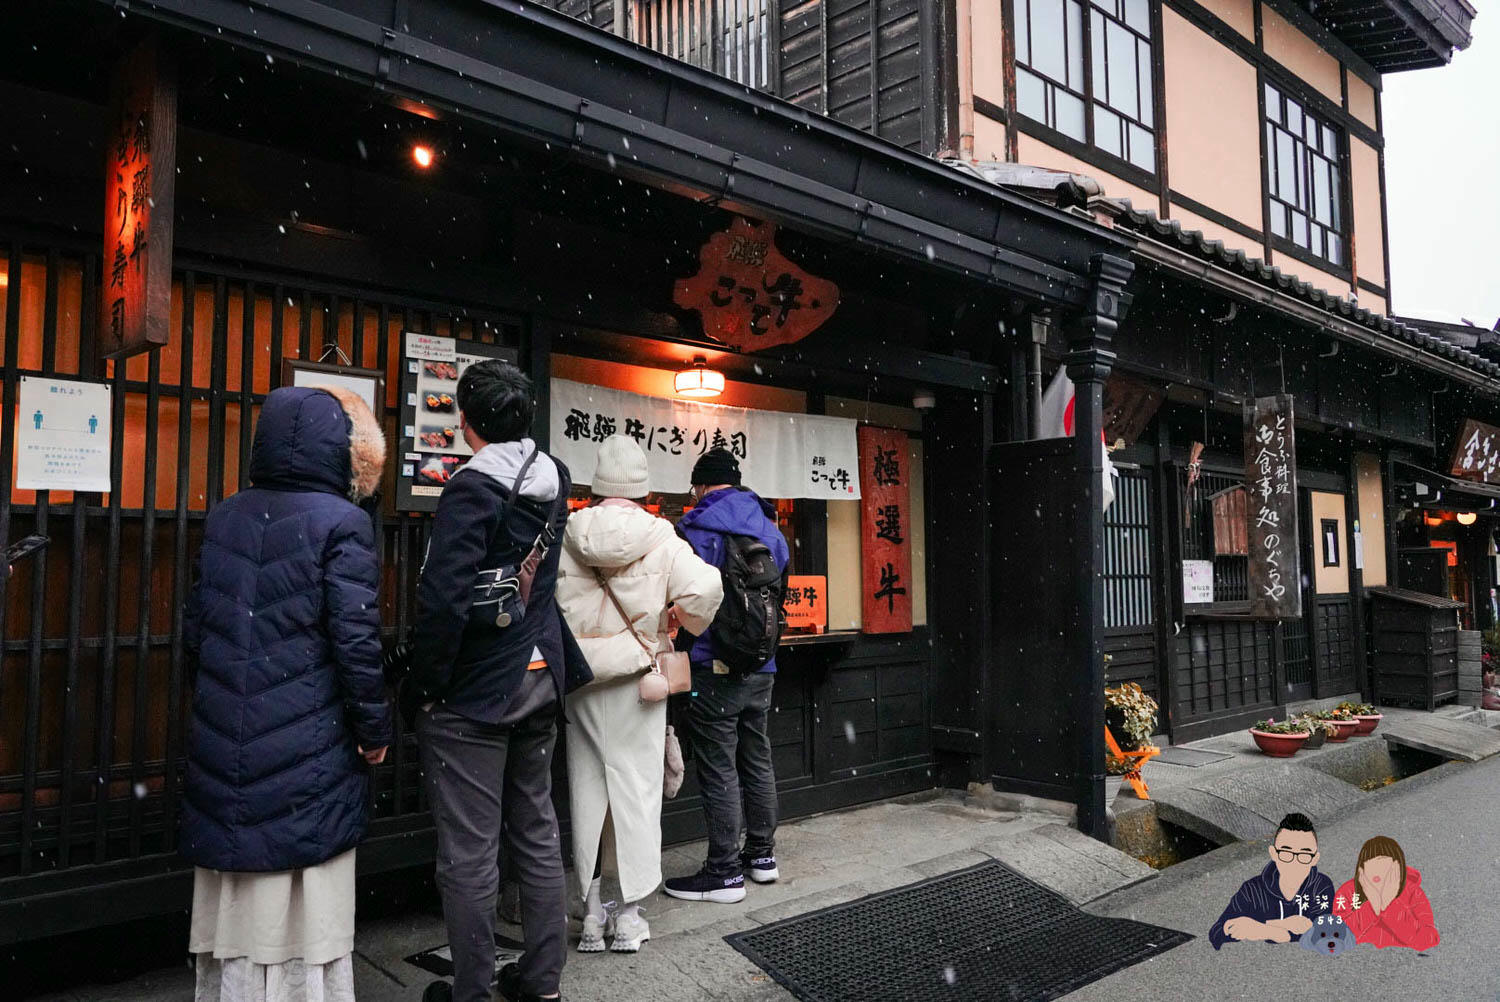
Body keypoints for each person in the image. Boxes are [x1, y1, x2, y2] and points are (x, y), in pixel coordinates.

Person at [180, 385, 392, 1001]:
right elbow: (356, 644)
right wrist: (374, 731)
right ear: (341, 450)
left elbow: (197, 630)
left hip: (227, 731)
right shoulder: (343, 523)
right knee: (303, 895)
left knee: (238, 898)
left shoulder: (226, 514)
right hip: (311, 738)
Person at [408, 360, 580, 1002]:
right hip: (541, 674)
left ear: (466, 420)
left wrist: (424, 685)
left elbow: (446, 602)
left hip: (479, 690)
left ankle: (472, 992)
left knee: (470, 852)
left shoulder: (470, 488)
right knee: (537, 830)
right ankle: (540, 983)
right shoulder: (556, 477)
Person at [556, 435, 723, 952]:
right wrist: (677, 618)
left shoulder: (567, 532)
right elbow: (707, 590)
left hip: (581, 682)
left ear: (598, 483)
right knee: (635, 795)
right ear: (642, 486)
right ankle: (627, 917)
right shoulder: (662, 537)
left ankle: (589, 916)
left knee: (586, 793)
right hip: (640, 684)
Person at [664, 449, 790, 904]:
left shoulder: (694, 530)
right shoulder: (771, 529)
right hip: (763, 664)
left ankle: (723, 873)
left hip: (712, 664)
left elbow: (678, 595)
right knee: (757, 758)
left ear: (700, 485)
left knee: (719, 767)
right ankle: (762, 857)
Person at [1208, 812, 1336, 948]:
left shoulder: (1321, 886)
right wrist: (1278, 927)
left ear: (1315, 859)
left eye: (1304, 855)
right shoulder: (1252, 889)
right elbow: (1216, 933)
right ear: (1273, 854)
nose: (1294, 862)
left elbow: (1323, 934)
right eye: (1286, 853)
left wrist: (1269, 930)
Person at [1332, 836, 1439, 950]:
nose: (1376, 870)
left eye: (1382, 862)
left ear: (1397, 867)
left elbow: (1428, 940)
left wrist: (1390, 905)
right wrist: (1371, 907)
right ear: (1361, 869)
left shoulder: (1412, 892)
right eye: (1369, 863)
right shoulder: (1348, 892)